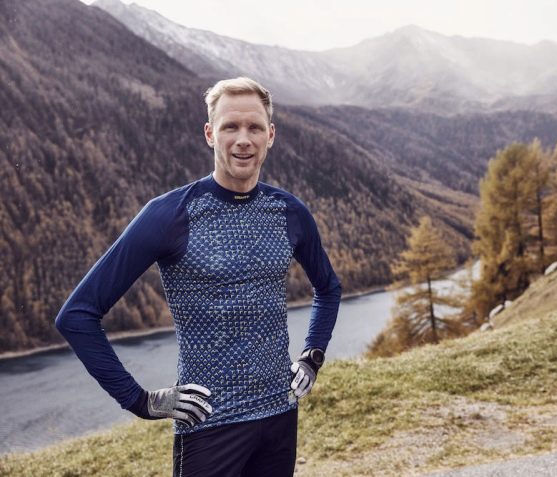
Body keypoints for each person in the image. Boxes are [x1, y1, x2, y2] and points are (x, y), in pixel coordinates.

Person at [55, 77, 342, 476]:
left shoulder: (289, 212)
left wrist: (313, 356)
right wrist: (140, 400)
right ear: (210, 134)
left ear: (271, 135)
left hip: (279, 417)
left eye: (255, 127)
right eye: (230, 127)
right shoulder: (169, 215)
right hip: (210, 427)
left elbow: (328, 287)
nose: (243, 140)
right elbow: (77, 316)